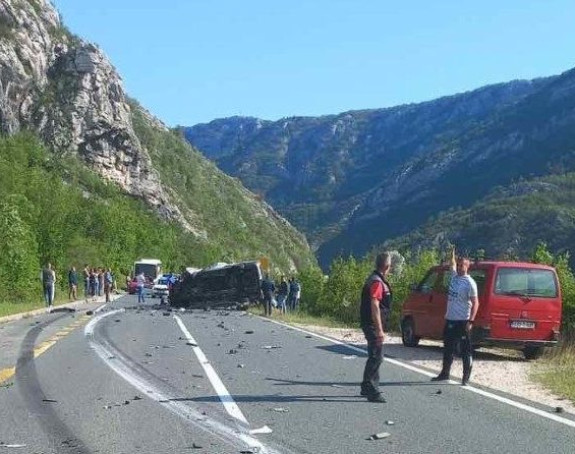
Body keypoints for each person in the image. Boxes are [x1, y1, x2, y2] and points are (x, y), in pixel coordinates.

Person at [432, 248, 479, 386]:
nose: (459, 267)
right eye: (458, 265)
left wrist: (471, 320)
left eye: (462, 265)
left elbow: (476, 302)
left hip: (462, 320)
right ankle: (445, 373)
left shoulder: (470, 283)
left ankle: (465, 377)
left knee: (465, 350)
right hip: (450, 319)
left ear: (467, 266)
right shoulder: (453, 276)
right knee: (448, 347)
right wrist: (452, 253)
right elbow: (451, 264)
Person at [359, 252, 392, 403]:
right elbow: (375, 305)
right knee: (376, 356)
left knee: (375, 355)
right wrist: (379, 329)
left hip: (370, 323)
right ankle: (370, 388)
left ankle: (370, 386)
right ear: (387, 266)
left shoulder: (375, 279)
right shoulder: (377, 282)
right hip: (372, 324)